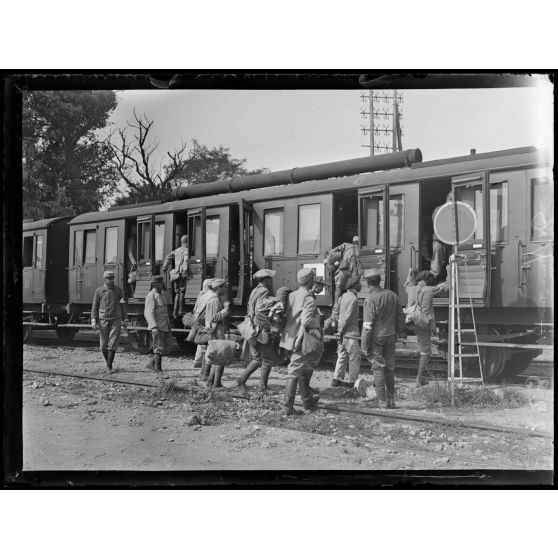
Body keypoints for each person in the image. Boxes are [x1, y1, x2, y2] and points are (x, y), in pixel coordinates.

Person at [279, 268, 321, 415]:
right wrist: (318, 322)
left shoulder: (292, 295)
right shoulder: (308, 297)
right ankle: (287, 408)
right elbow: (307, 320)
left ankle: (307, 401)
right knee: (295, 372)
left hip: (288, 339)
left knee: (303, 370)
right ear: (309, 281)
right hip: (300, 340)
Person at [361, 269, 405, 409]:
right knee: (390, 368)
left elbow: (368, 325)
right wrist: (397, 331)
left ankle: (381, 401)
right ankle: (391, 401)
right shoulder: (393, 295)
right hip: (391, 335)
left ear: (368, 283)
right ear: (379, 280)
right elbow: (400, 317)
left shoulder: (370, 299)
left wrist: (364, 345)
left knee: (378, 367)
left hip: (377, 337)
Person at [236, 269, 278, 396]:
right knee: (268, 359)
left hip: (250, 326)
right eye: (270, 279)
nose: (271, 281)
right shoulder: (264, 291)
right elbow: (260, 312)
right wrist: (267, 328)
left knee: (258, 358)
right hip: (259, 328)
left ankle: (242, 380)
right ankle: (262, 387)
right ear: (265, 279)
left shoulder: (255, 290)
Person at [410, 269, 449, 387]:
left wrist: (410, 273)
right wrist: (449, 272)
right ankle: (419, 379)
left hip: (414, 320)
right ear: (427, 280)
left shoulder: (412, 288)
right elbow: (445, 288)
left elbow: (406, 283)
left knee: (423, 348)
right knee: (425, 351)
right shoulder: (429, 290)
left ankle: (421, 379)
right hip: (423, 322)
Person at [91, 270, 128, 373]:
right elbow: (95, 306)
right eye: (109, 279)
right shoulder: (99, 291)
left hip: (116, 319)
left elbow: (122, 305)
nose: (111, 281)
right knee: (103, 346)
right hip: (103, 320)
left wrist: (125, 319)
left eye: (112, 279)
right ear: (105, 280)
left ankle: (109, 366)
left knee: (112, 344)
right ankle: (109, 364)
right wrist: (93, 320)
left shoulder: (118, 290)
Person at [331, 279, 362, 388]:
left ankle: (336, 379)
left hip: (342, 333)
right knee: (354, 358)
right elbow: (348, 318)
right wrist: (341, 331)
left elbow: (335, 312)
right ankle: (353, 382)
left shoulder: (342, 296)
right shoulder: (353, 299)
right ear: (354, 284)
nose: (361, 285)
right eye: (359, 283)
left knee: (342, 357)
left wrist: (338, 330)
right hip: (350, 334)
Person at [200, 278, 231, 388]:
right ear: (218, 288)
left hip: (217, 331)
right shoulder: (214, 300)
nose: (226, 289)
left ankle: (211, 382)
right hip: (216, 332)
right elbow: (213, 318)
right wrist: (225, 309)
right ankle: (215, 383)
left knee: (218, 358)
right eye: (224, 287)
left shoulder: (217, 299)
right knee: (220, 358)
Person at [144, 275, 171, 374]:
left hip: (164, 325)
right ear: (154, 284)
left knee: (163, 347)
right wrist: (153, 326)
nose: (161, 284)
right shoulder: (151, 296)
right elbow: (148, 312)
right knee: (158, 348)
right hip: (157, 326)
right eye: (159, 283)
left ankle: (150, 364)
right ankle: (158, 369)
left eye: (161, 282)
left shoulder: (161, 294)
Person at [327, 236, 363, 303]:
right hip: (353, 272)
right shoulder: (360, 249)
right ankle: (351, 304)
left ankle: (336, 305)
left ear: (352, 241)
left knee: (338, 288)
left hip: (343, 269)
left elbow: (332, 252)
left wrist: (340, 254)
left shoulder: (346, 245)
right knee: (352, 288)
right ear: (360, 242)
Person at [162, 234, 189, 319]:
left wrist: (164, 267)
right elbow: (186, 260)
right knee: (181, 292)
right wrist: (185, 270)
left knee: (177, 293)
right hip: (181, 273)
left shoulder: (176, 250)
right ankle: (180, 310)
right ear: (187, 242)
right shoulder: (186, 250)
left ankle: (174, 312)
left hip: (175, 274)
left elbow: (168, 257)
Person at [192, 278, 213, 368]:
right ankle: (200, 363)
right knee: (203, 341)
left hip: (199, 319)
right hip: (203, 320)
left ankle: (198, 361)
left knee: (201, 340)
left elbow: (195, 308)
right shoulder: (208, 296)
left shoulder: (201, 294)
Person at [431, 193, 453, 278]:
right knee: (435, 268)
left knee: (452, 265)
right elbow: (436, 224)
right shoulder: (438, 209)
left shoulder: (455, 209)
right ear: (449, 198)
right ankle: (431, 284)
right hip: (439, 240)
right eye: (451, 198)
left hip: (451, 242)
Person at [127, 231, 137, 297]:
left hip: (133, 262)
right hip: (131, 263)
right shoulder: (131, 240)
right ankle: (132, 293)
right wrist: (134, 262)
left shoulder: (134, 240)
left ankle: (133, 293)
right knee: (131, 277)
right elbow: (130, 252)